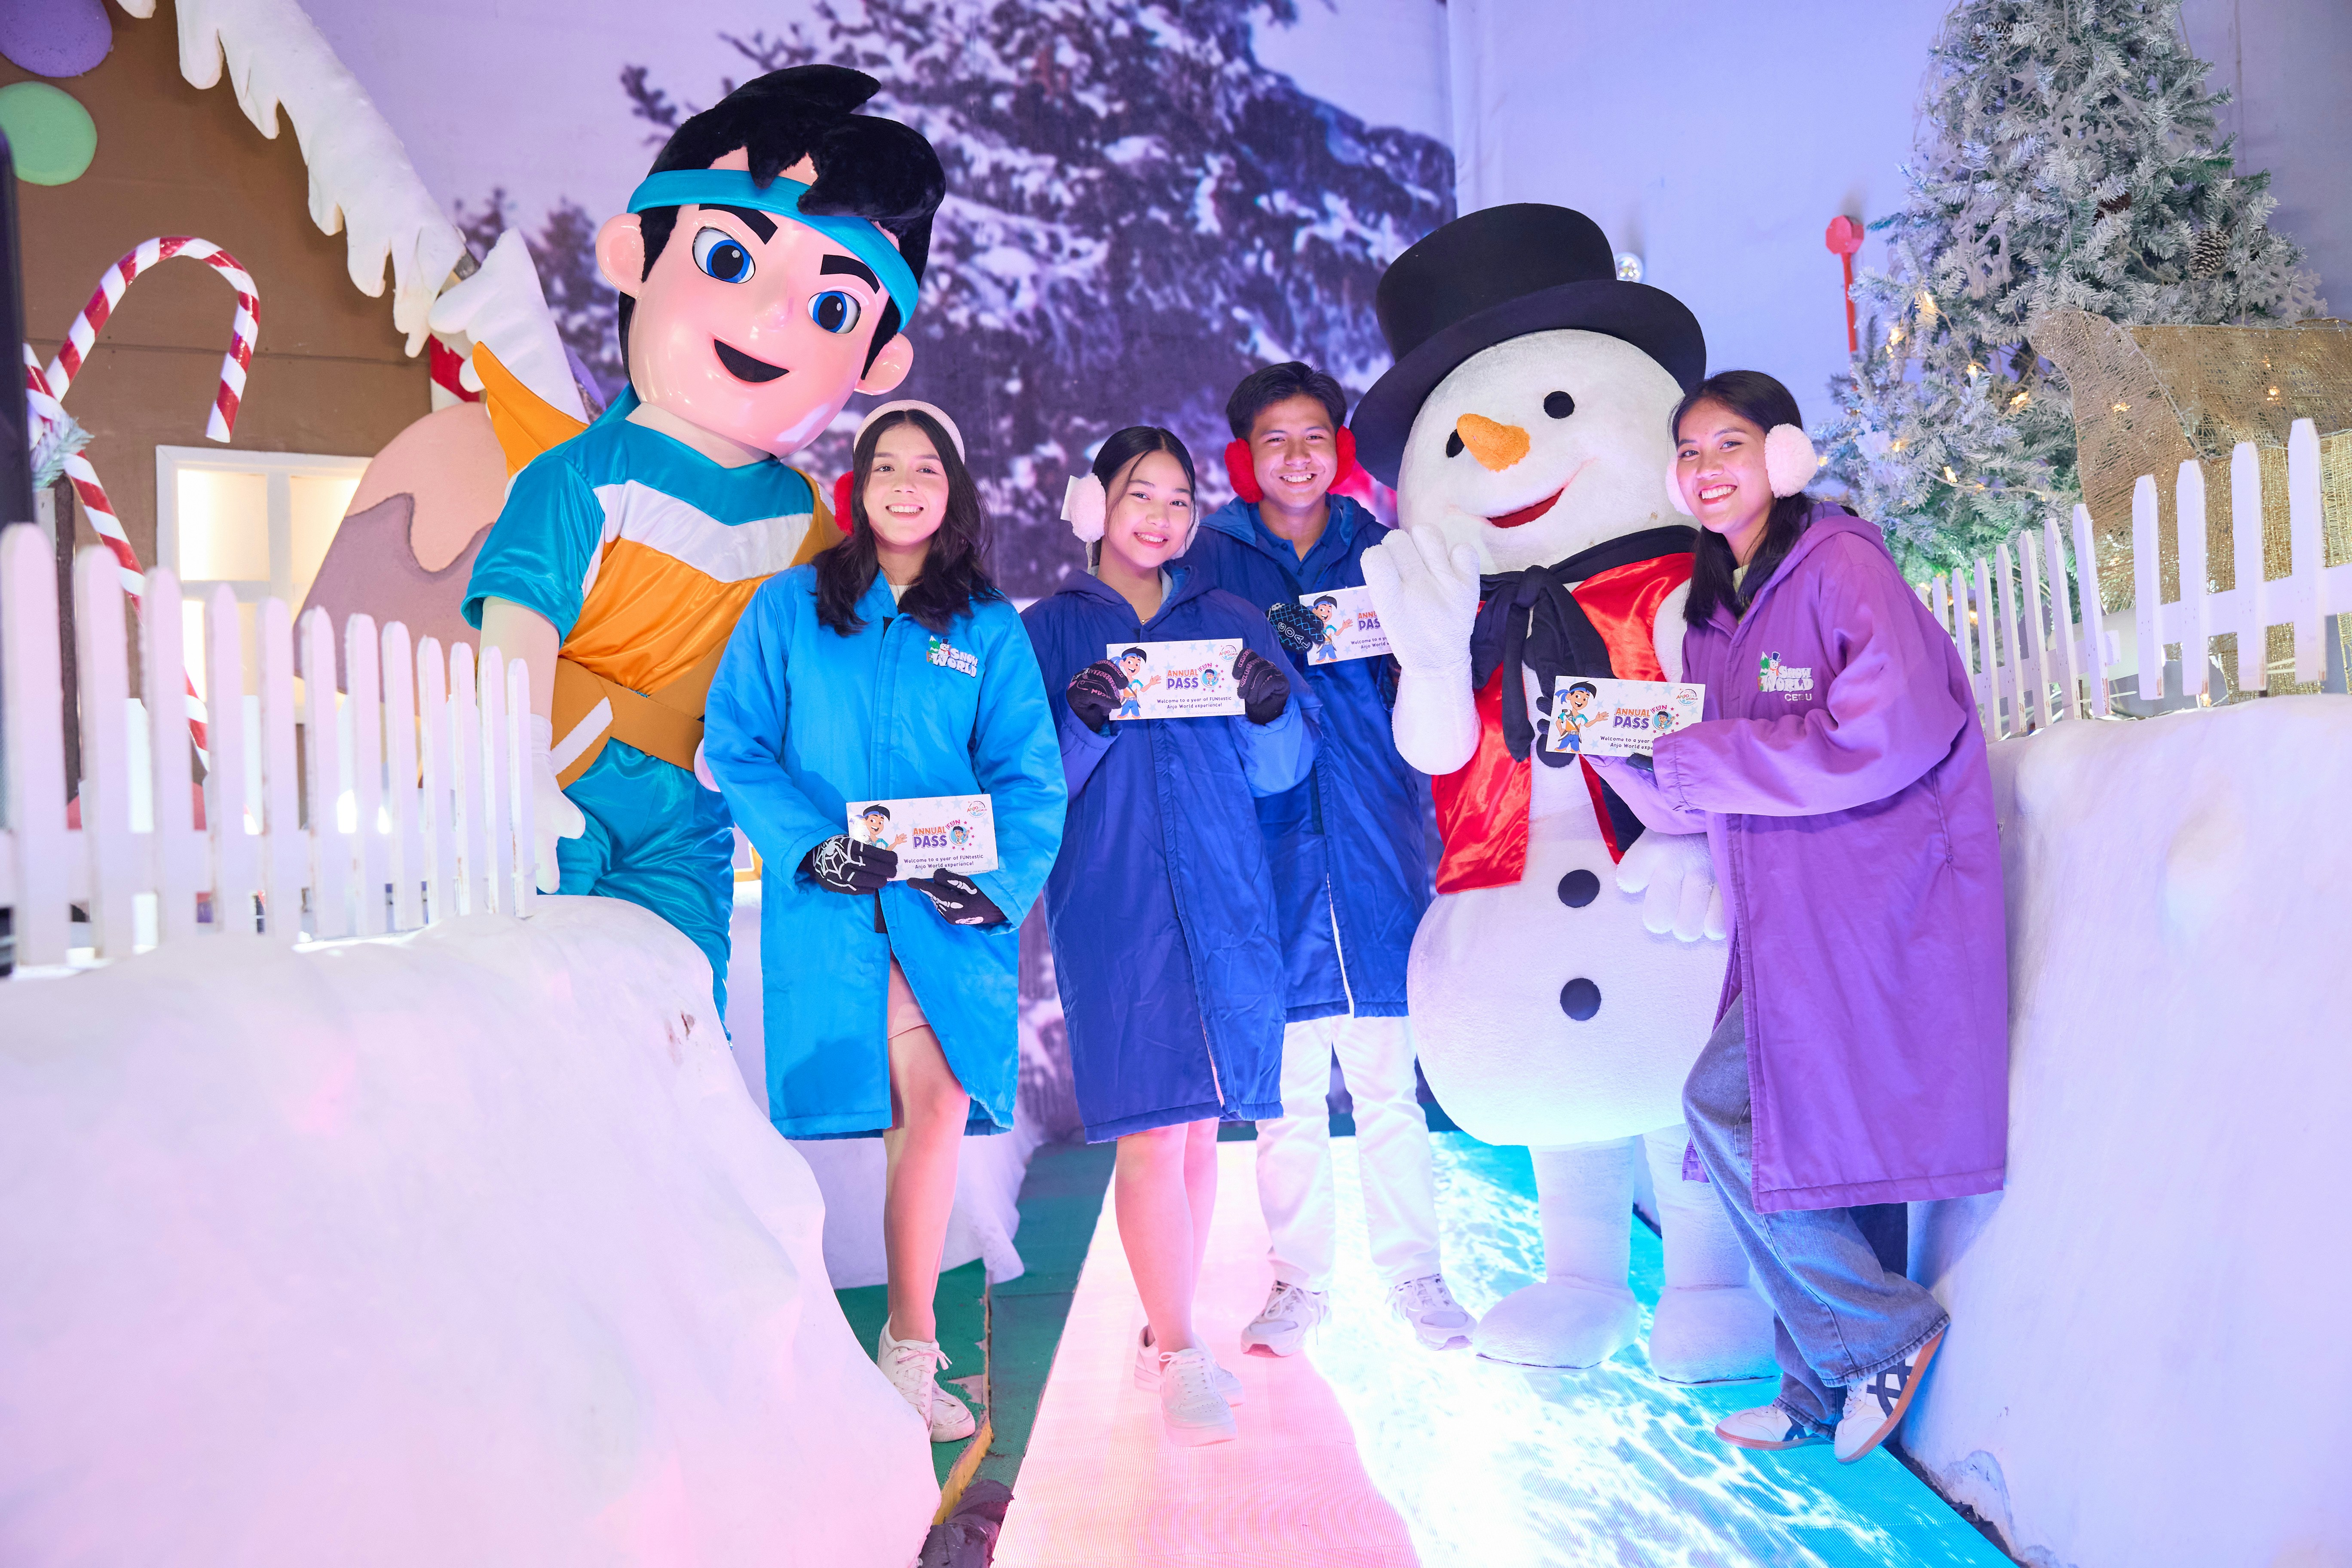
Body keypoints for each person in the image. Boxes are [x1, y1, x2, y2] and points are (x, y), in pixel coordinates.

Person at [463, 66, 943, 1020]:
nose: (771, 315)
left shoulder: (806, 521)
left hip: (694, 813)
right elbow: (517, 627)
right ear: (635, 257)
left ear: (878, 360)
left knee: (681, 1019)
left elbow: (828, 668)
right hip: (564, 773)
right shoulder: (583, 475)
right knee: (532, 1007)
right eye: (730, 260)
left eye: (832, 307)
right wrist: (507, 773)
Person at [1591, 370, 2007, 1464]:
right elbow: (1707, 784)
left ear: (1782, 457)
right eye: (1688, 453)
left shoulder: (1843, 567)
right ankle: (1818, 1388)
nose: (1705, 470)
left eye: (1727, 445)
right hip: (1786, 912)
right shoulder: (1713, 611)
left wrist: (1693, 758)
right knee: (1822, 1142)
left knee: (1731, 1108)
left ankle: (1882, 1333)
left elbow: (1891, 729)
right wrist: (1608, 750)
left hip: (1871, 899)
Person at [703, 402, 1066, 1443]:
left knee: (940, 1107)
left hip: (943, 914)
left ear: (954, 491)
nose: (907, 484)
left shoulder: (986, 628)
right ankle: (814, 1343)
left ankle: (907, 1345)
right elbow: (739, 743)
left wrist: (991, 884)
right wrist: (809, 846)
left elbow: (1028, 781)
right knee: (858, 1135)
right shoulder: (790, 609)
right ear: (856, 488)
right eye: (887, 467)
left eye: (928, 469)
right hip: (832, 907)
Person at [1023, 426, 1321, 1445]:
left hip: (1228, 899)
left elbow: (1282, 773)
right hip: (1114, 907)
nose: (1160, 516)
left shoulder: (1231, 619)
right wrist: (1080, 722)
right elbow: (1032, 791)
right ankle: (1181, 1351)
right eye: (1139, 495)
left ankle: (1165, 1341)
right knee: (1152, 1132)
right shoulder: (1051, 631)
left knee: (1198, 1128)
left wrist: (1273, 710)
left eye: (1179, 499)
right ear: (1093, 505)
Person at [1176, 362, 1473, 1356]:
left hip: (1378, 834)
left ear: (1338, 450)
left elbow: (1434, 674)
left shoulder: (1383, 550)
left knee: (1390, 1082)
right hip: (1267, 849)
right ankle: (1299, 1282)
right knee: (1290, 1093)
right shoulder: (1211, 560)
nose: (1296, 457)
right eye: (1275, 440)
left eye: (1314, 437)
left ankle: (1417, 1277)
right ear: (1243, 456)